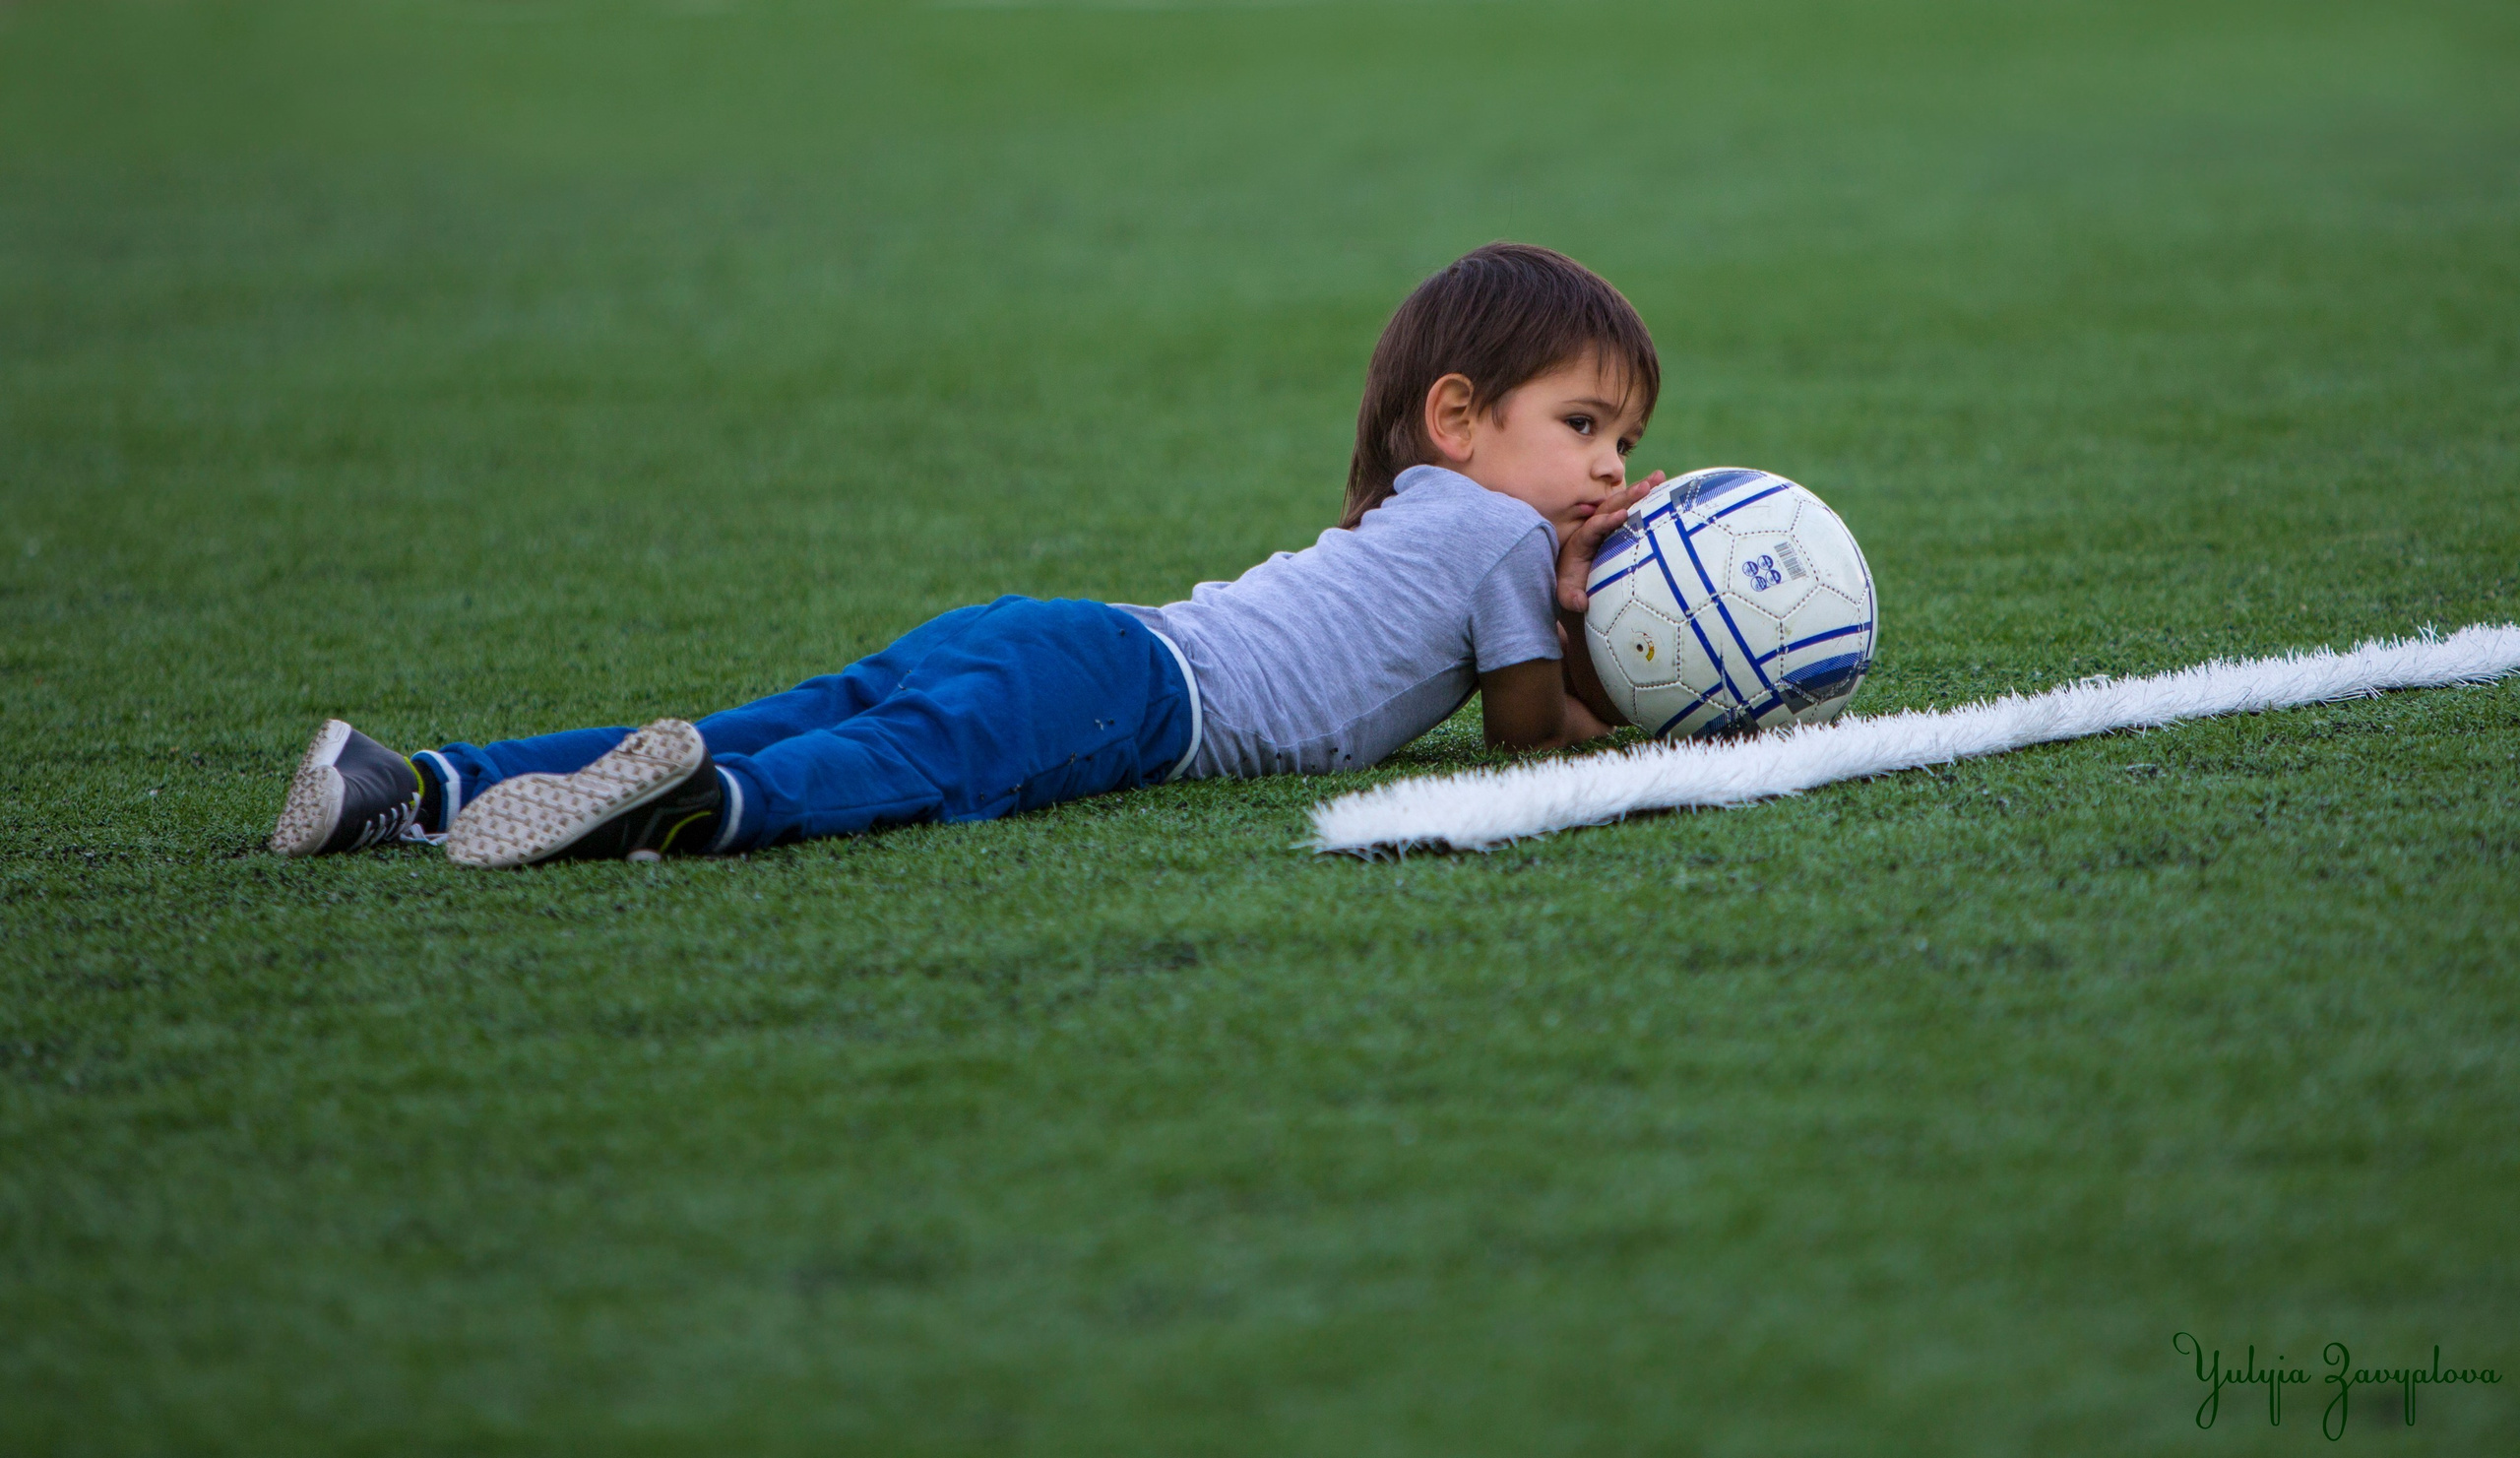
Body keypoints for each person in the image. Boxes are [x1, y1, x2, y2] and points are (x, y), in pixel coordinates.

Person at [269, 242, 1665, 868]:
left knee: (811, 706)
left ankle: (415, 782)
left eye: (1625, 439)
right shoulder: (1494, 534)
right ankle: (695, 807)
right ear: (1460, 419)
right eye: (1585, 424)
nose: (1608, 467)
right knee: (914, 765)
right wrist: (1591, 635)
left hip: (1077, 636)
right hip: (1131, 691)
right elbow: (1523, 740)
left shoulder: (1427, 514)